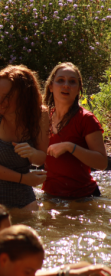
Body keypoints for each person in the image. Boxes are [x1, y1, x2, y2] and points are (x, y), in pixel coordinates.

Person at [0, 65, 49, 210]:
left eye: (8, 97)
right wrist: (24, 179)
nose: (0, 102)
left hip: (24, 199)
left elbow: (41, 158)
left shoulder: (40, 115)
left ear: (25, 97)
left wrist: (33, 153)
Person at [42, 62, 108, 198]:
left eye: (72, 82)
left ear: (78, 89)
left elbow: (102, 163)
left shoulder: (86, 119)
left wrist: (70, 147)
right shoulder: (44, 117)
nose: (66, 85)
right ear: (50, 87)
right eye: (60, 80)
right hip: (50, 195)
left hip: (83, 198)